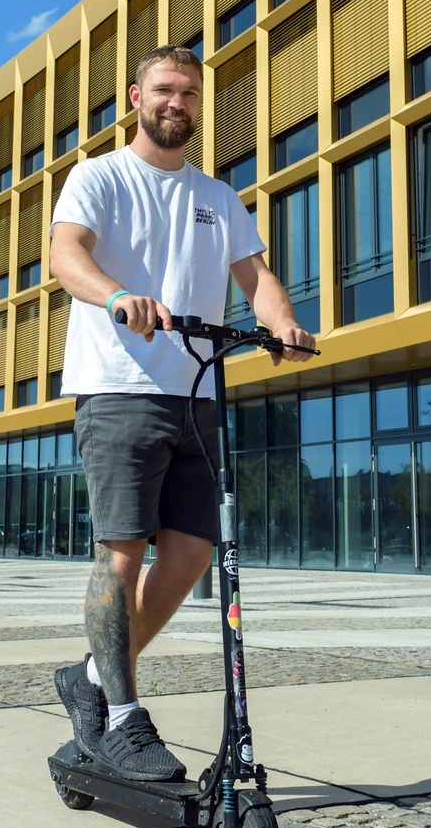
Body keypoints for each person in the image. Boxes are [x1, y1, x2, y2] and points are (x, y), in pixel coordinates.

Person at [49, 45, 316, 783]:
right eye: (165, 88)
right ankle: (127, 720)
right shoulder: (99, 176)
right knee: (123, 552)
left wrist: (283, 325)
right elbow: (65, 255)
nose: (177, 102)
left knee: (194, 553)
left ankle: (95, 681)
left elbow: (255, 276)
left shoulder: (218, 198)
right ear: (135, 96)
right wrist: (113, 295)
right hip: (119, 386)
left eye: (190, 93)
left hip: (197, 393)